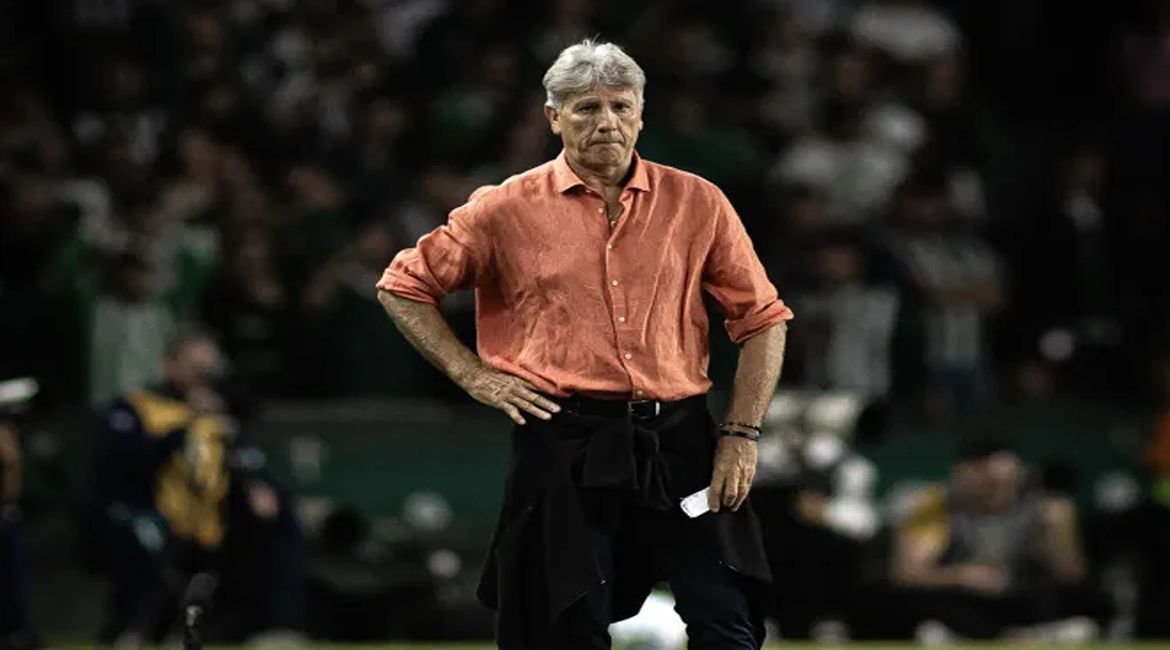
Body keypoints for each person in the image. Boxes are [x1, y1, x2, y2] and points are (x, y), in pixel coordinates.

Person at [376, 39, 793, 650]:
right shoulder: (504, 208)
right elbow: (402, 286)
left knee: (727, 620)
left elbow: (763, 319)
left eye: (621, 106)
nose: (607, 123)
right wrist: (474, 374)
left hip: (682, 438)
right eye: (587, 108)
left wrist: (741, 434)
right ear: (554, 117)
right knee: (567, 628)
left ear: (642, 113)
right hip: (564, 438)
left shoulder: (698, 201)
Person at [88, 331, 304, 645]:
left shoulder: (220, 410)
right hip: (153, 510)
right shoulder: (139, 407)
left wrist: (257, 485)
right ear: (171, 365)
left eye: (209, 369)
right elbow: (124, 464)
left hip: (211, 518)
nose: (202, 377)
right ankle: (133, 628)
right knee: (142, 538)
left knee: (278, 521)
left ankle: (274, 627)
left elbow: (242, 454)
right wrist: (186, 423)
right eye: (194, 367)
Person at [891, 436, 1107, 642]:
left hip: (1023, 597)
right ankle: (976, 636)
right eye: (984, 482)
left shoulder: (1046, 506)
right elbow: (907, 573)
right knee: (912, 601)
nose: (994, 491)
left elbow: (1071, 573)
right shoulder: (935, 504)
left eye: (1003, 483)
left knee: (1086, 595)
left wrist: (1055, 532)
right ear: (961, 477)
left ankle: (1024, 634)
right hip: (965, 598)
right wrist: (961, 576)